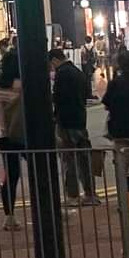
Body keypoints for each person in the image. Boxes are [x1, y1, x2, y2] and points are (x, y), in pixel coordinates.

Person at [50, 48, 96, 206]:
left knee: (68, 159)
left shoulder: (61, 74)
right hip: (80, 119)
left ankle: (73, 195)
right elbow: (86, 94)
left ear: (54, 60)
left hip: (66, 121)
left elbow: (58, 98)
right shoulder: (78, 72)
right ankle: (90, 194)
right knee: (84, 159)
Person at [0, 50, 27, 230]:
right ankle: (48, 208)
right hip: (24, 134)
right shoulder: (22, 84)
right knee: (41, 170)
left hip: (5, 136)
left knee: (11, 176)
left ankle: (9, 216)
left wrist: (4, 129)